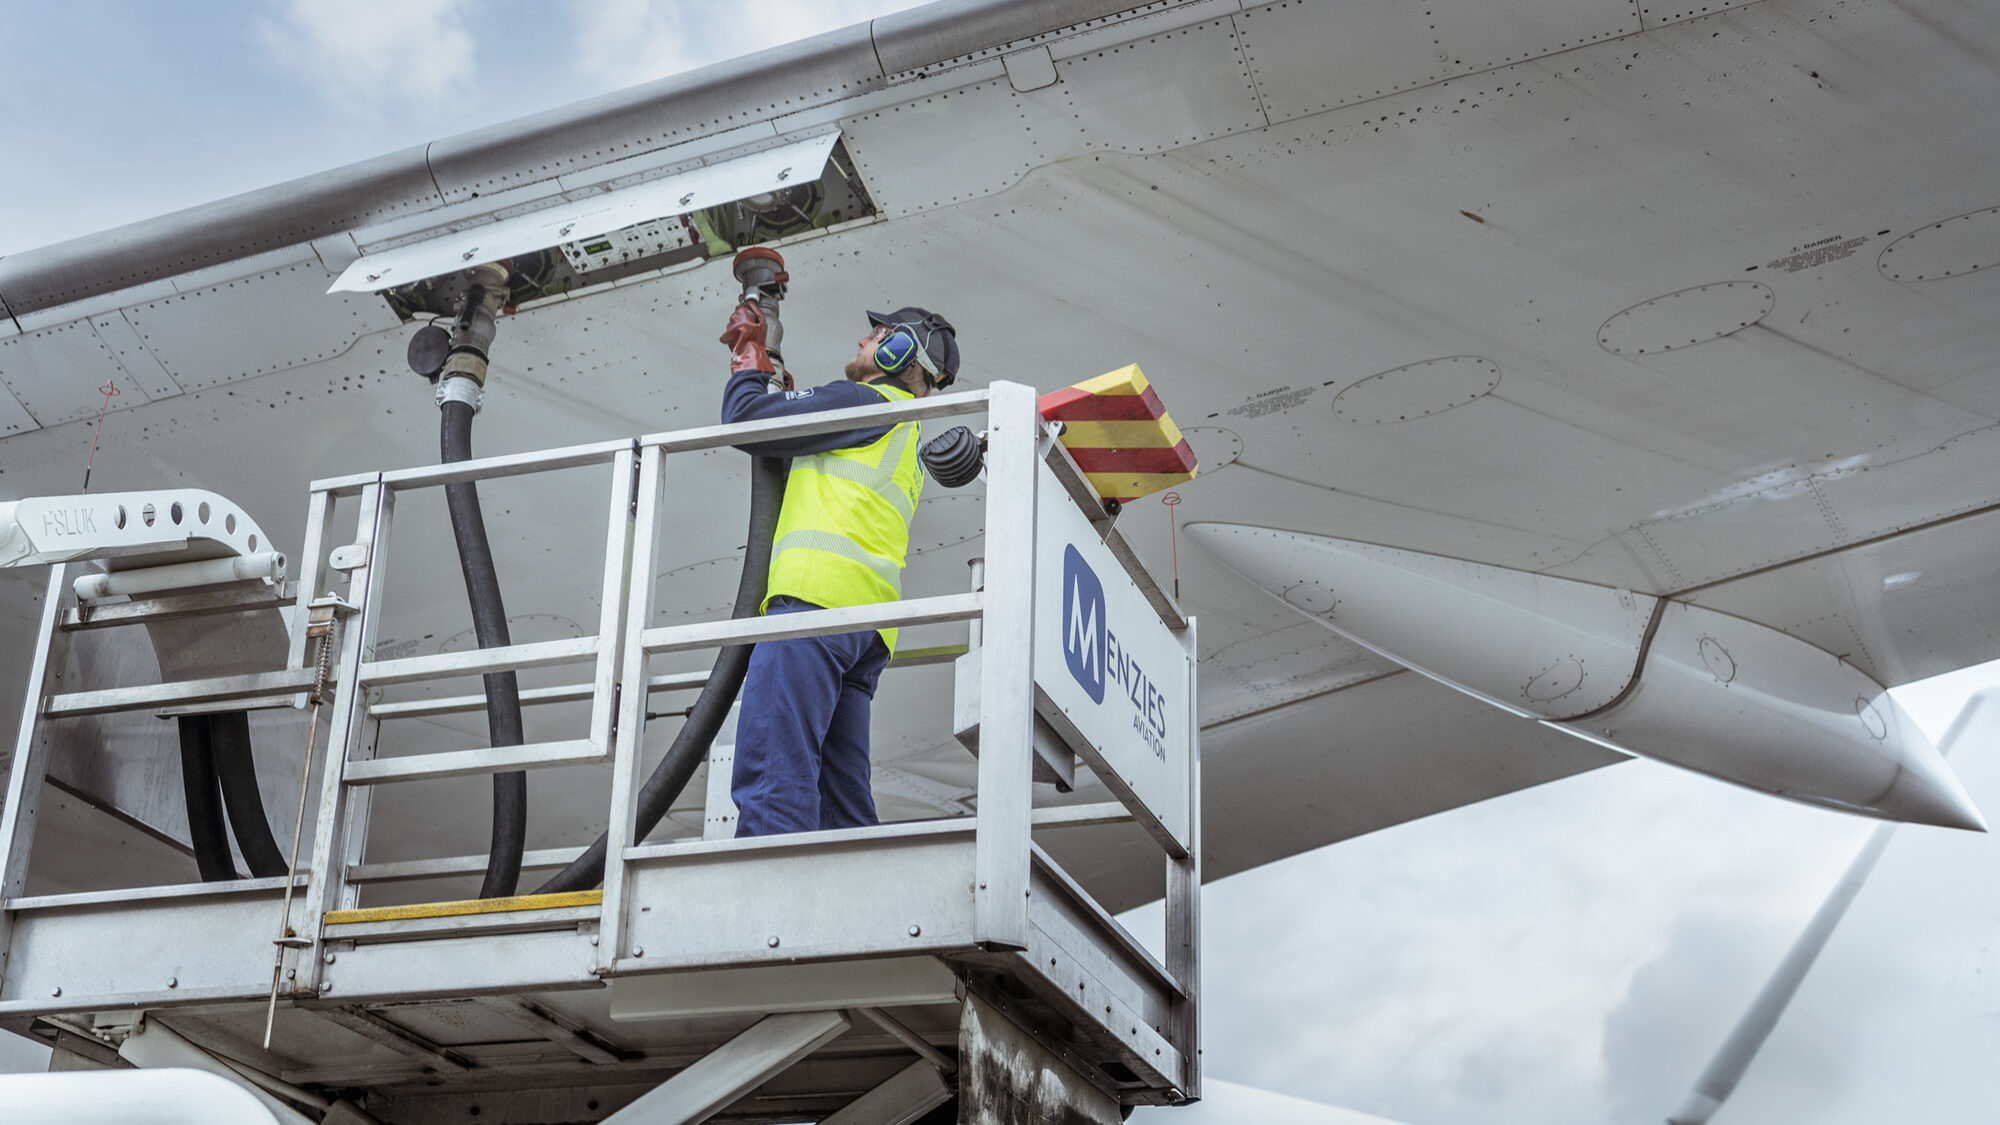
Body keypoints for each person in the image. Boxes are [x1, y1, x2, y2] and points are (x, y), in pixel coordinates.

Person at [717, 298, 962, 836]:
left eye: (878, 337)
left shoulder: (861, 402)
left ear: (901, 353)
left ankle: (767, 906)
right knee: (841, 800)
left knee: (772, 778)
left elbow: (744, 422)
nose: (861, 342)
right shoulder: (902, 433)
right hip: (863, 635)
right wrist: (794, 404)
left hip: (812, 612)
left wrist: (748, 360)